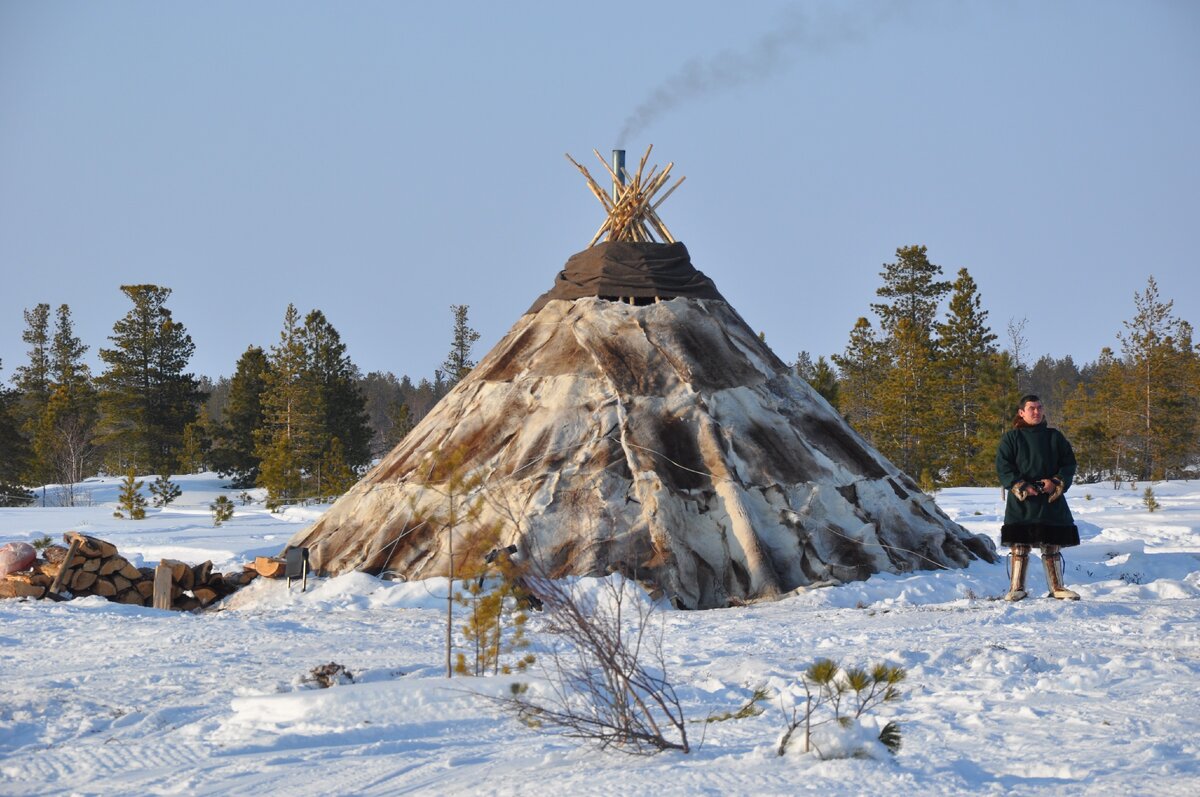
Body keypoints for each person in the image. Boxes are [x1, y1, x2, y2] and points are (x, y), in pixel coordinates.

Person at [995, 394, 1081, 601]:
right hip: (1023, 500)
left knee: (1051, 545)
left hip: (1050, 499)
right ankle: (1016, 588)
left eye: (1039, 408)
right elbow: (1003, 466)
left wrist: (1056, 482)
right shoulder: (1011, 438)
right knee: (1020, 546)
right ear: (1021, 412)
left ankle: (1057, 587)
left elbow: (1069, 463)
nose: (1036, 412)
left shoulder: (1055, 437)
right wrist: (1021, 485)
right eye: (1031, 408)